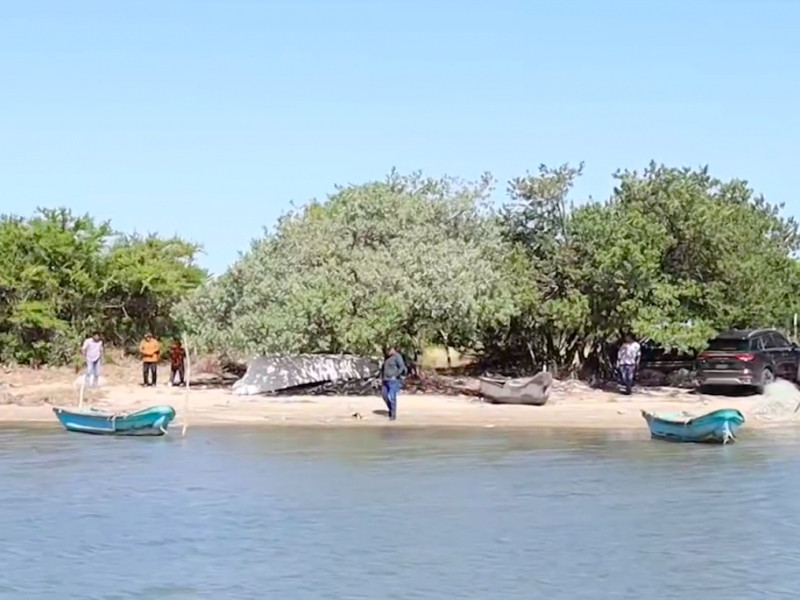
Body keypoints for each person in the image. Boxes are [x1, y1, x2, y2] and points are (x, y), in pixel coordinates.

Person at [380, 346, 407, 421]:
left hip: (393, 380)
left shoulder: (397, 357)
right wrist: (381, 378)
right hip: (385, 380)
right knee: (384, 395)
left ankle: (393, 414)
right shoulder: (387, 357)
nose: (388, 352)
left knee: (391, 396)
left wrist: (395, 375)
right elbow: (383, 368)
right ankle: (390, 409)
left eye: (389, 350)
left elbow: (402, 367)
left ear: (393, 349)